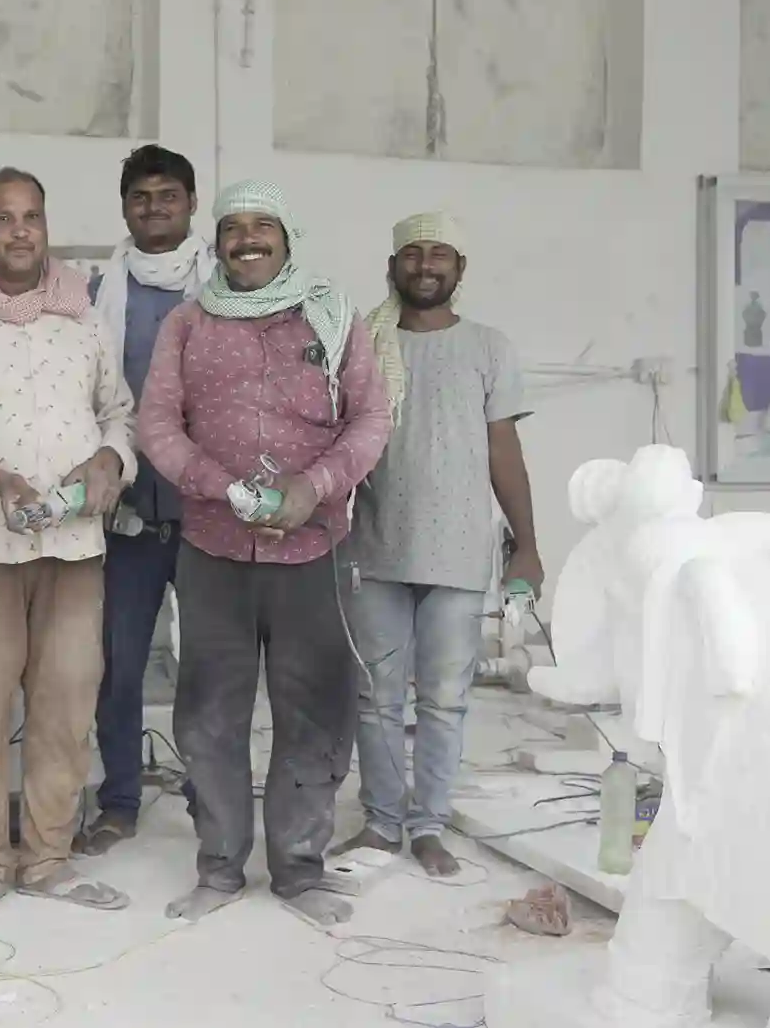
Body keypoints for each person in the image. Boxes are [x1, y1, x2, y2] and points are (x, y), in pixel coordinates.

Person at [138, 180, 391, 926]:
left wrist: (314, 488)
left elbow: (372, 417)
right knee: (208, 713)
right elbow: (157, 423)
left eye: (262, 226)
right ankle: (218, 865)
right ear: (215, 243)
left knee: (314, 709)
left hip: (314, 548)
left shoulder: (330, 314)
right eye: (233, 228)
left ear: (286, 237)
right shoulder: (187, 323)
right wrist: (219, 486)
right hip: (213, 545)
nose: (247, 239)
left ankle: (299, 868)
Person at [0, 167, 138, 920]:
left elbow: (120, 413)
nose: (20, 231)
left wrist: (111, 460)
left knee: (65, 704)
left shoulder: (84, 318)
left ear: (46, 224)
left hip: (76, 545)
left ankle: (48, 856)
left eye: (32, 217)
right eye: (3, 218)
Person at [334, 212, 539, 879]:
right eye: (412, 253)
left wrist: (527, 545)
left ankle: (429, 824)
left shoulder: (488, 346)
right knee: (376, 697)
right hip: (375, 544)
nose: (425, 265)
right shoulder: (364, 342)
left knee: (445, 699)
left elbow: (503, 449)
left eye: (439, 253)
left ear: (460, 268)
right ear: (392, 265)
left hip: (456, 551)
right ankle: (382, 822)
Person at [76, 145, 217, 857]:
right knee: (118, 664)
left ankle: (210, 796)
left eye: (168, 196)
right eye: (141, 197)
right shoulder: (98, 289)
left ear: (193, 204)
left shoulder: (224, 286)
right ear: (125, 206)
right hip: (127, 514)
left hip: (206, 516)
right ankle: (120, 798)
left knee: (207, 666)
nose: (155, 208)